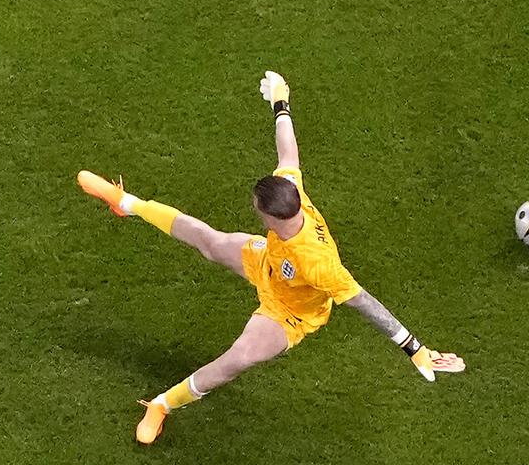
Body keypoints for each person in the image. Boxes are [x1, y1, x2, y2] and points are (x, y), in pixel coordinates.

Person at [78, 71, 465, 445]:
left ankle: (161, 405)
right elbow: (288, 151)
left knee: (239, 358)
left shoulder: (319, 264)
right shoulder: (293, 194)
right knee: (207, 240)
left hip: (290, 311)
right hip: (267, 261)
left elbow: (364, 303)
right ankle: (126, 203)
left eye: (256, 207)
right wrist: (282, 102)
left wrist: (414, 348)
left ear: (270, 216)